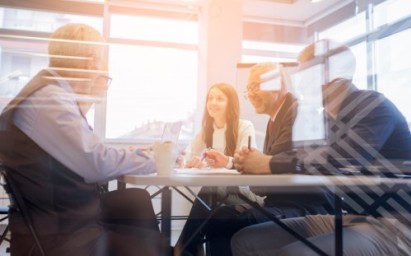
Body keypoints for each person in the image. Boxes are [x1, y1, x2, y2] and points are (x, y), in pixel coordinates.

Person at [0, 23, 170, 256]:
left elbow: (88, 154)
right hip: (62, 236)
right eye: (101, 61)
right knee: (156, 245)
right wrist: (155, 160)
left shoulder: (50, 94)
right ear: (90, 62)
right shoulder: (50, 100)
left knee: (134, 201)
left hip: (57, 221)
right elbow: (96, 164)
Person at [231, 40, 411, 255]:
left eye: (304, 73)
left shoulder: (374, 106)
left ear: (325, 74)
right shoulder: (328, 119)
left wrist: (269, 163)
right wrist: (258, 161)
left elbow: (343, 158)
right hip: (352, 218)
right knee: (245, 240)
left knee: (294, 253)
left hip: (395, 226)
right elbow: (304, 154)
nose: (298, 82)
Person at [175, 82, 261, 256]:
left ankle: (184, 248)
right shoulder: (206, 130)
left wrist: (226, 161)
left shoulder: (245, 126)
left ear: (231, 103)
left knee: (208, 189)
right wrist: (191, 162)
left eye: (220, 99)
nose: (213, 102)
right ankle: (187, 248)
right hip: (217, 195)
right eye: (210, 98)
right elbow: (187, 154)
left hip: (243, 192)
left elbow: (248, 163)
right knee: (210, 193)